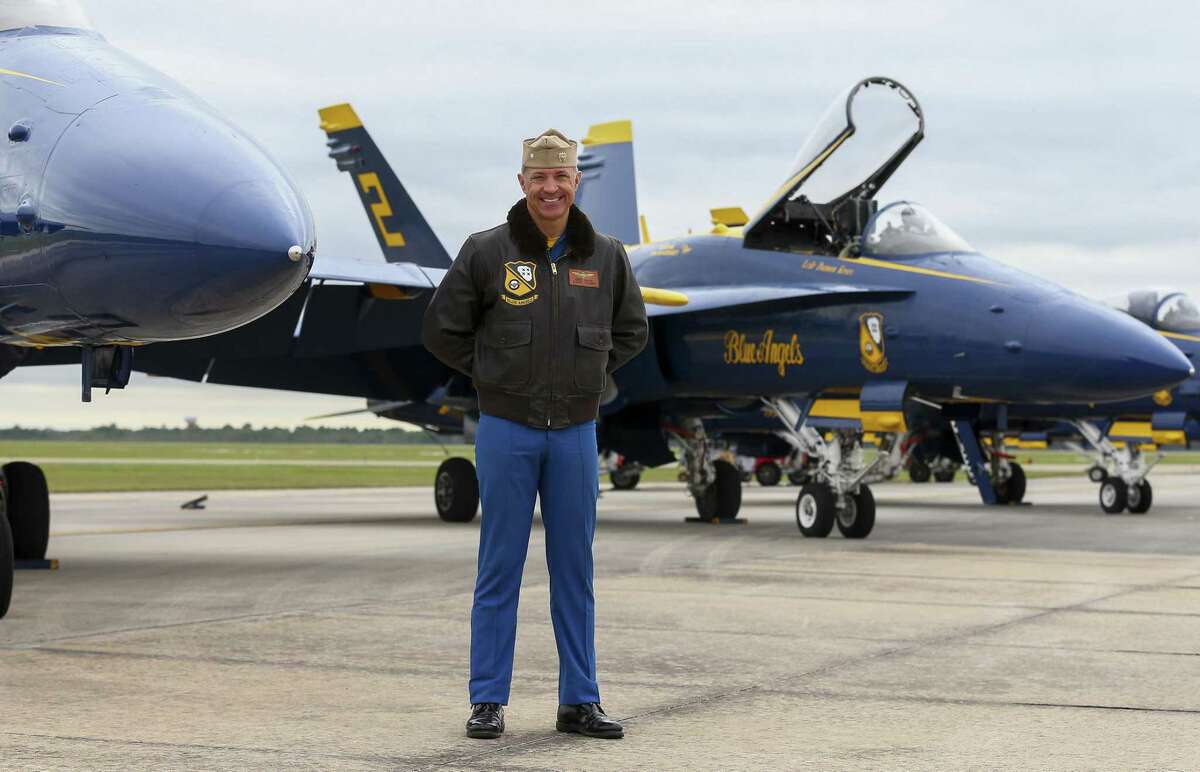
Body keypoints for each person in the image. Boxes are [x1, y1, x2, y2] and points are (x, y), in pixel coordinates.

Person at [421, 128, 648, 740]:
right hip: (506, 428)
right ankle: (488, 699)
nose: (551, 188)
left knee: (575, 568)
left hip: (575, 432)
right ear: (522, 182)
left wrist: (588, 374)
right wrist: (493, 372)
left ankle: (580, 699)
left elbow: (632, 333)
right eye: (539, 177)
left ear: (577, 182)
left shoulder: (606, 256)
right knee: (500, 567)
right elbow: (442, 330)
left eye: (562, 177)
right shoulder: (486, 251)